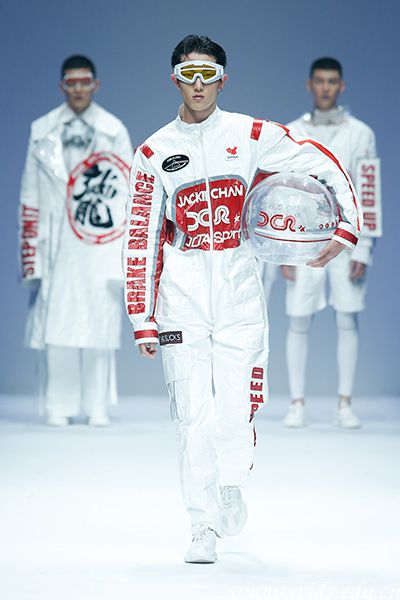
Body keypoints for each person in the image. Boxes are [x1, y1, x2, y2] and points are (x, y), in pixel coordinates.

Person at [122, 36, 362, 563]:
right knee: (192, 416)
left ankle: (231, 481)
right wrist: (141, 314)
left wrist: (348, 226)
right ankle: (201, 523)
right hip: (181, 295)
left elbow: (321, 159)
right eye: (189, 74)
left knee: (235, 412)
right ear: (174, 79)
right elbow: (140, 236)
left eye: (208, 74)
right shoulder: (153, 152)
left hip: (239, 291)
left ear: (223, 80)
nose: (199, 85)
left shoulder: (251, 135)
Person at [19, 55, 132, 427]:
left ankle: (97, 405)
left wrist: (123, 252)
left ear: (96, 85)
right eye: (72, 83)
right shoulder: (42, 130)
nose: (79, 89)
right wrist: (30, 253)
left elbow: (128, 192)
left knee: (100, 321)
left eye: (85, 82)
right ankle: (59, 404)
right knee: (58, 323)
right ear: (62, 86)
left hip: (99, 240)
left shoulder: (114, 130)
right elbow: (30, 194)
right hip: (56, 241)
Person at [281, 57, 380, 429]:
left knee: (347, 316)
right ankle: (297, 403)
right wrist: (284, 250)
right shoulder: (292, 132)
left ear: (341, 86)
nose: (325, 87)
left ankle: (344, 403)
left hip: (347, 238)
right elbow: (282, 191)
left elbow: (368, 192)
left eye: (332, 81)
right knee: (298, 318)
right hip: (303, 238)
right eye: (320, 81)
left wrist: (364, 247)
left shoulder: (361, 134)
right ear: (310, 85)